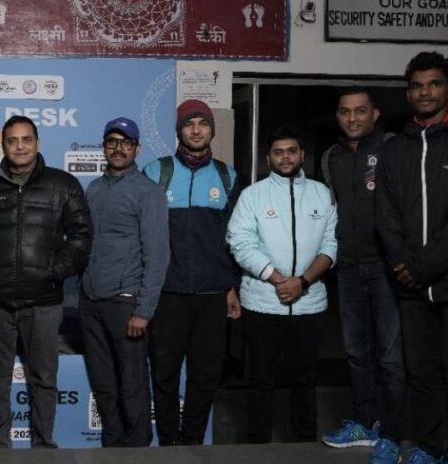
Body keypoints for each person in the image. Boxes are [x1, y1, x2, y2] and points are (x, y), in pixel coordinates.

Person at [376, 51, 448, 464]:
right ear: (408, 93)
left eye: (434, 84)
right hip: (410, 283)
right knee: (421, 374)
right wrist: (405, 265)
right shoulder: (395, 149)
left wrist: (420, 267)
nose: (424, 92)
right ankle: (426, 448)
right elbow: (386, 216)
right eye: (417, 85)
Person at [0, 115, 92, 448]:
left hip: (44, 303)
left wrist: (53, 272)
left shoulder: (64, 184)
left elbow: (81, 236)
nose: (20, 147)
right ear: (3, 146)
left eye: (26, 140)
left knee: (44, 379)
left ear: (37, 143)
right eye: (12, 140)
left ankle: (43, 445)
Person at [226, 124, 337, 444]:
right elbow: (239, 242)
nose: (285, 157)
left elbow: (331, 244)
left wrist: (302, 281)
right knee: (261, 380)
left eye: (291, 151)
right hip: (262, 304)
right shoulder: (253, 195)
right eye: (278, 152)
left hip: (310, 304)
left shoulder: (322, 193)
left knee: (306, 379)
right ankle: (257, 444)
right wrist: (277, 280)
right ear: (268, 158)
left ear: (302, 155)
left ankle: (305, 443)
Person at [143, 100, 241, 446]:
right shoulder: (156, 172)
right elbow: (143, 234)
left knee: (206, 375)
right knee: (164, 374)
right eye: (189, 124)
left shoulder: (228, 176)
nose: (196, 130)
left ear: (212, 130)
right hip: (168, 293)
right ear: (178, 131)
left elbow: (234, 238)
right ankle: (169, 442)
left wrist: (231, 286)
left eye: (203, 123)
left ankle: (193, 442)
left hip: (213, 294)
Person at [319, 90, 405, 463]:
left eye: (360, 111)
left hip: (386, 267)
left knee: (390, 357)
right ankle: (364, 424)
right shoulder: (331, 157)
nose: (352, 118)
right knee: (356, 354)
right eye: (345, 112)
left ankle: (392, 435)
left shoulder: (393, 148)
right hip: (348, 267)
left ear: (375, 114)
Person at [80, 117, 168, 447]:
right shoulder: (94, 188)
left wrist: (143, 311)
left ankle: (138, 449)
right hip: (91, 300)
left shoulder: (148, 192)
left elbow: (158, 255)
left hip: (126, 302)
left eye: (126, 143)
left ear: (137, 149)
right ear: (104, 147)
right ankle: (113, 447)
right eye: (112, 142)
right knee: (103, 382)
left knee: (132, 382)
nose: (118, 148)